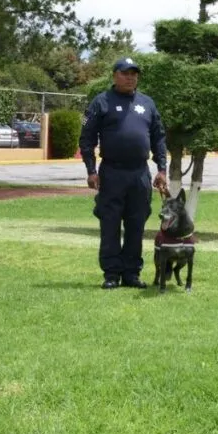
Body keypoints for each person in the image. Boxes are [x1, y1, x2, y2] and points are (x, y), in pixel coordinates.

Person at [79, 57, 169, 290]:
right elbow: (87, 138)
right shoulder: (101, 102)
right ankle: (111, 274)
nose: (130, 78)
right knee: (110, 223)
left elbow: (159, 137)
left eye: (134, 74)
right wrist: (91, 170)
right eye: (125, 73)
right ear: (114, 75)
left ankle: (131, 273)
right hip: (112, 173)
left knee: (136, 224)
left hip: (139, 174)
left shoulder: (147, 103)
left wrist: (162, 169)